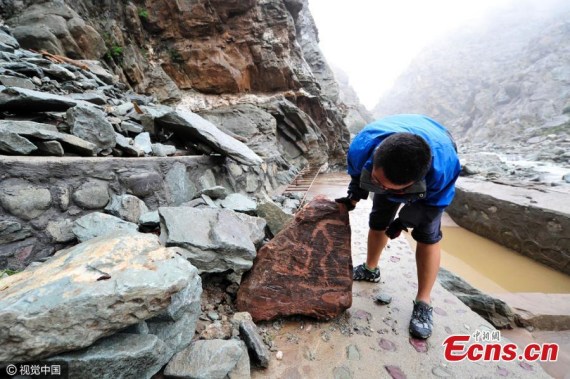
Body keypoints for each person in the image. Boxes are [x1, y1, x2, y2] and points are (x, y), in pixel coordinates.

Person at [335, 114, 460, 339]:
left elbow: (433, 205)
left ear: (414, 183)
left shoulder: (443, 169)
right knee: (378, 221)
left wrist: (404, 222)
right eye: (377, 182)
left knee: (427, 236)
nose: (381, 187)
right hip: (390, 159)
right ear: (375, 158)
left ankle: (423, 301)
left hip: (436, 151)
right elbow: (357, 174)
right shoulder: (362, 146)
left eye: (393, 188)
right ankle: (370, 269)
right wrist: (354, 196)